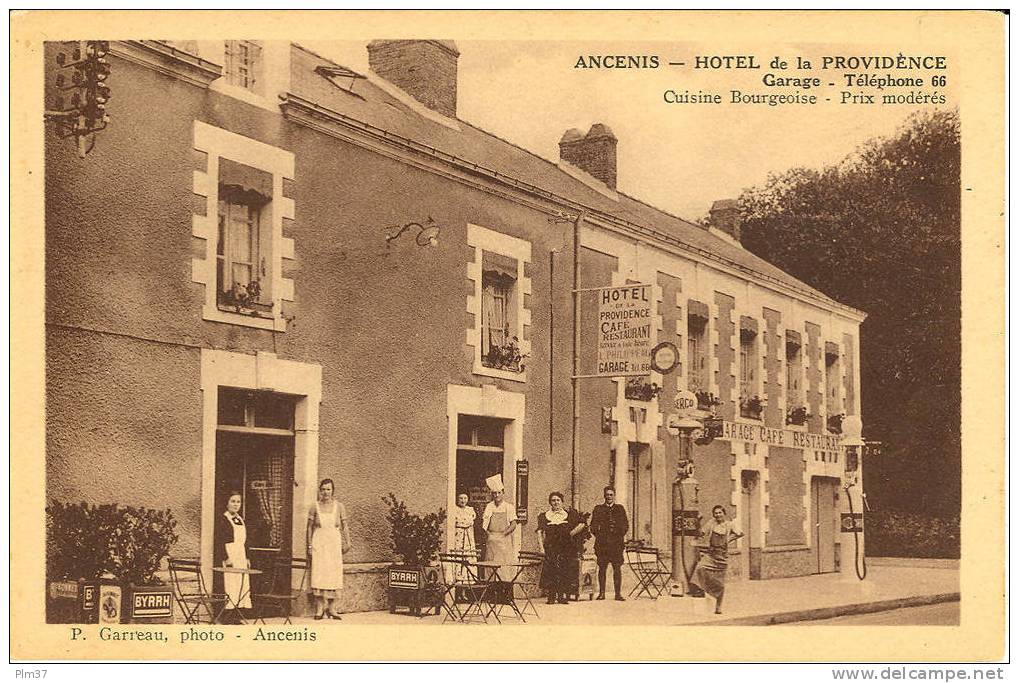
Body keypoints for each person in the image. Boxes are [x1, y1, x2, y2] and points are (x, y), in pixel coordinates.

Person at [306, 478, 352, 620]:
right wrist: (308, 545)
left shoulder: (339, 506)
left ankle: (332, 608)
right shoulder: (315, 506)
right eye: (323, 489)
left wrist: (348, 542)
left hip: (333, 544)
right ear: (320, 491)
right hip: (319, 544)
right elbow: (309, 527)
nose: (326, 492)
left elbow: (345, 526)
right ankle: (320, 608)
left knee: (333, 574)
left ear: (333, 491)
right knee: (319, 574)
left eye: (328, 489)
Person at [689, 505, 744, 614]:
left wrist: (729, 539)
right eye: (716, 513)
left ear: (724, 513)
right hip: (711, 554)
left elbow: (740, 533)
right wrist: (698, 522)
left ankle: (718, 607)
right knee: (700, 568)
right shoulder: (711, 523)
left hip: (722, 557)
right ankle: (703, 590)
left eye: (720, 513)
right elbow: (701, 533)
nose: (718, 515)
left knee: (720, 583)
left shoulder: (729, 524)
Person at [536, 491, 585, 604]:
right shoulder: (544, 516)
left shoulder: (569, 515)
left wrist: (571, 533)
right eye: (553, 500)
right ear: (550, 502)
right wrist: (541, 548)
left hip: (565, 546)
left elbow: (582, 523)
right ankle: (551, 596)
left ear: (562, 502)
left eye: (558, 500)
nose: (556, 502)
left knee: (564, 569)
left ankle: (562, 596)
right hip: (550, 547)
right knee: (551, 570)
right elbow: (539, 532)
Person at [213, 491, 250, 624]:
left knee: (240, 584)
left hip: (240, 554)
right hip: (229, 554)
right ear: (227, 503)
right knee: (230, 584)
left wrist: (247, 558)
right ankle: (226, 616)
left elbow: (245, 541)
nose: (235, 504)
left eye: (238, 502)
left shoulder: (240, 519)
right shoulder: (223, 519)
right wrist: (226, 557)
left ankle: (236, 615)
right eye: (233, 501)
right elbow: (219, 540)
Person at [590, 485, 628, 601]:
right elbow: (593, 526)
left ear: (614, 496)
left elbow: (625, 525)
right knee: (602, 568)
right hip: (602, 545)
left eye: (611, 495)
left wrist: (618, 533)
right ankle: (602, 593)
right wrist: (601, 534)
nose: (609, 497)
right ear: (604, 496)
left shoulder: (620, 509)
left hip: (616, 545)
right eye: (607, 495)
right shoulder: (598, 509)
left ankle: (618, 594)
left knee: (617, 568)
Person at [481, 474, 517, 566]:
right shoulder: (489, 506)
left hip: (505, 538)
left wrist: (503, 534)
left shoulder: (509, 507)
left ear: (503, 492)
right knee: (491, 563)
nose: (496, 495)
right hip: (492, 539)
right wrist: (489, 535)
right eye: (494, 493)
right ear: (492, 494)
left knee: (504, 563)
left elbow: (513, 524)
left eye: (499, 492)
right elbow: (485, 523)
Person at [451, 492, 477, 583]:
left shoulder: (470, 510)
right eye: (461, 498)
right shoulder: (454, 509)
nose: (463, 500)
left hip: (468, 538)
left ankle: (466, 587)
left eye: (465, 498)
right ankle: (457, 584)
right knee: (458, 558)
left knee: (468, 558)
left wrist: (465, 523)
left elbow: (470, 522)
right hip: (458, 537)